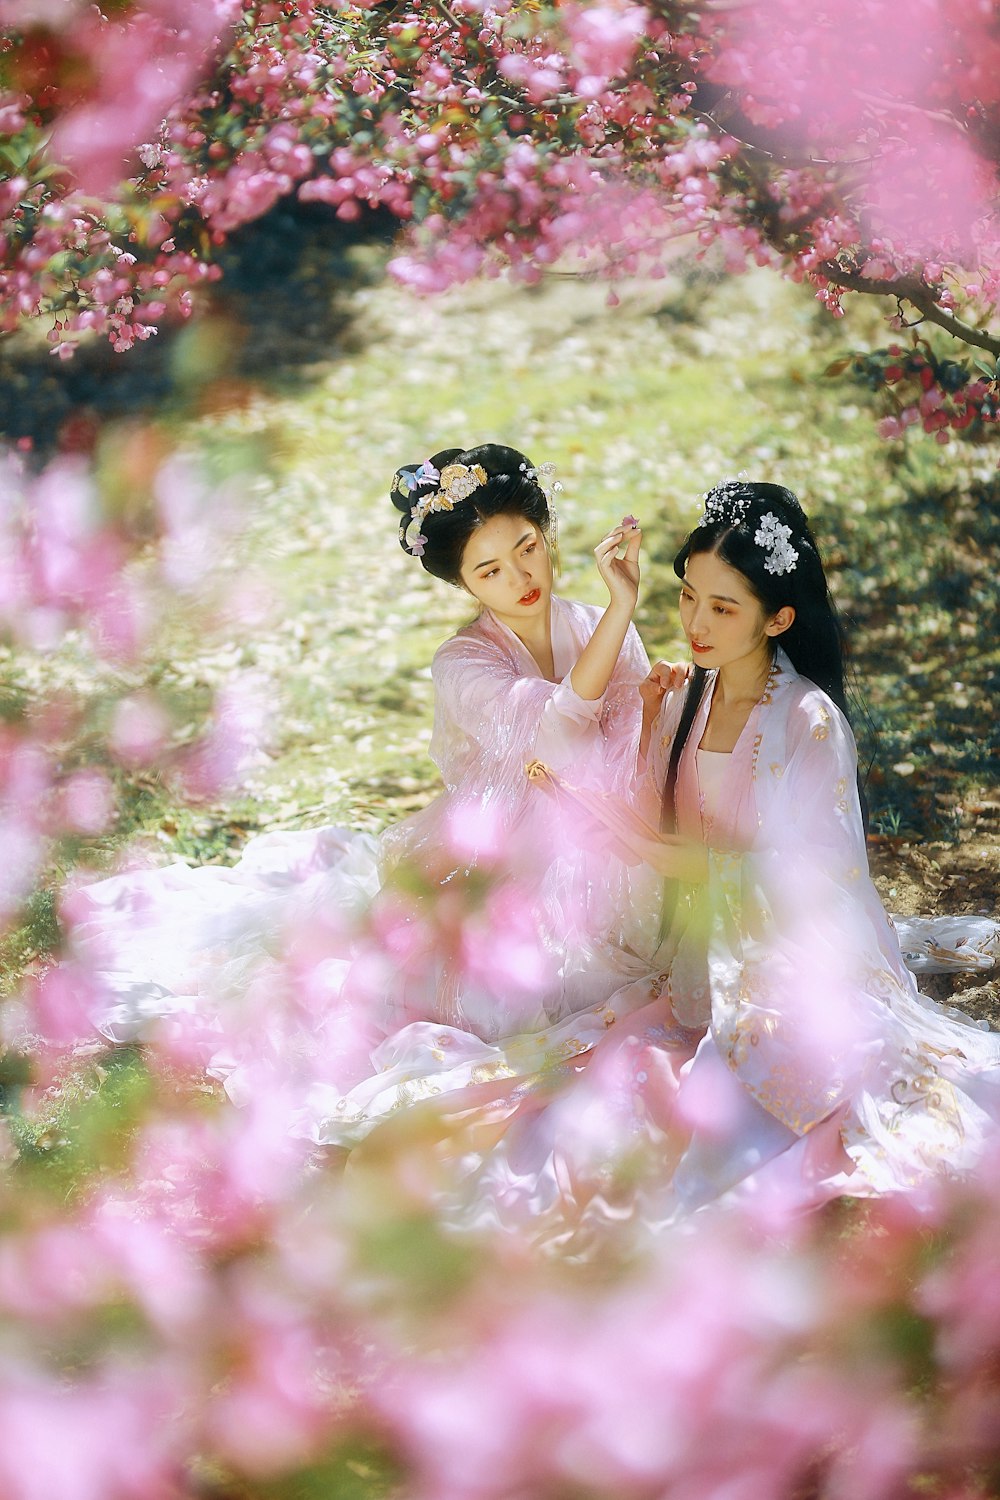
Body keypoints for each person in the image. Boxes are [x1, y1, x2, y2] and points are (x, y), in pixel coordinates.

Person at [71, 443, 671, 1143]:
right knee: (504, 989)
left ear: (547, 533)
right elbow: (560, 731)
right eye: (489, 569)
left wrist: (657, 700)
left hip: (605, 832)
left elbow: (632, 738)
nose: (519, 575)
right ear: (463, 583)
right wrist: (621, 606)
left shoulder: (589, 627)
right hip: (504, 852)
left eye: (528, 547)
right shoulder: (462, 662)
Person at [514, 478, 1000, 1232]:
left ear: (778, 617)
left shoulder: (806, 721)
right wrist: (643, 720)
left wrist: (667, 856)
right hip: (699, 954)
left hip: (778, 965)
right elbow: (651, 812)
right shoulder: (684, 696)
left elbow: (816, 883)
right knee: (590, 1097)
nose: (697, 624)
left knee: (722, 1114)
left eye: (723, 607)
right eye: (687, 597)